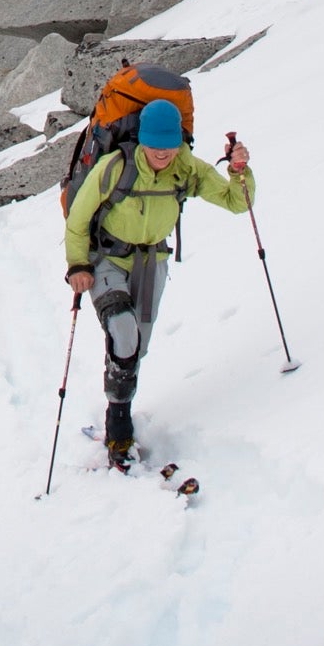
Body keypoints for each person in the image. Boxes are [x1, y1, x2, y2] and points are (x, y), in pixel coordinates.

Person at [64, 99, 254, 465]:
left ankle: (118, 400)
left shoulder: (186, 169)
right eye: (154, 146)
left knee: (137, 347)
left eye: (169, 147)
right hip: (107, 259)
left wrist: (239, 169)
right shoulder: (115, 167)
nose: (162, 154)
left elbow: (236, 202)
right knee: (123, 330)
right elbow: (78, 216)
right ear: (143, 141)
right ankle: (118, 429)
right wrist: (77, 266)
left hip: (152, 264)